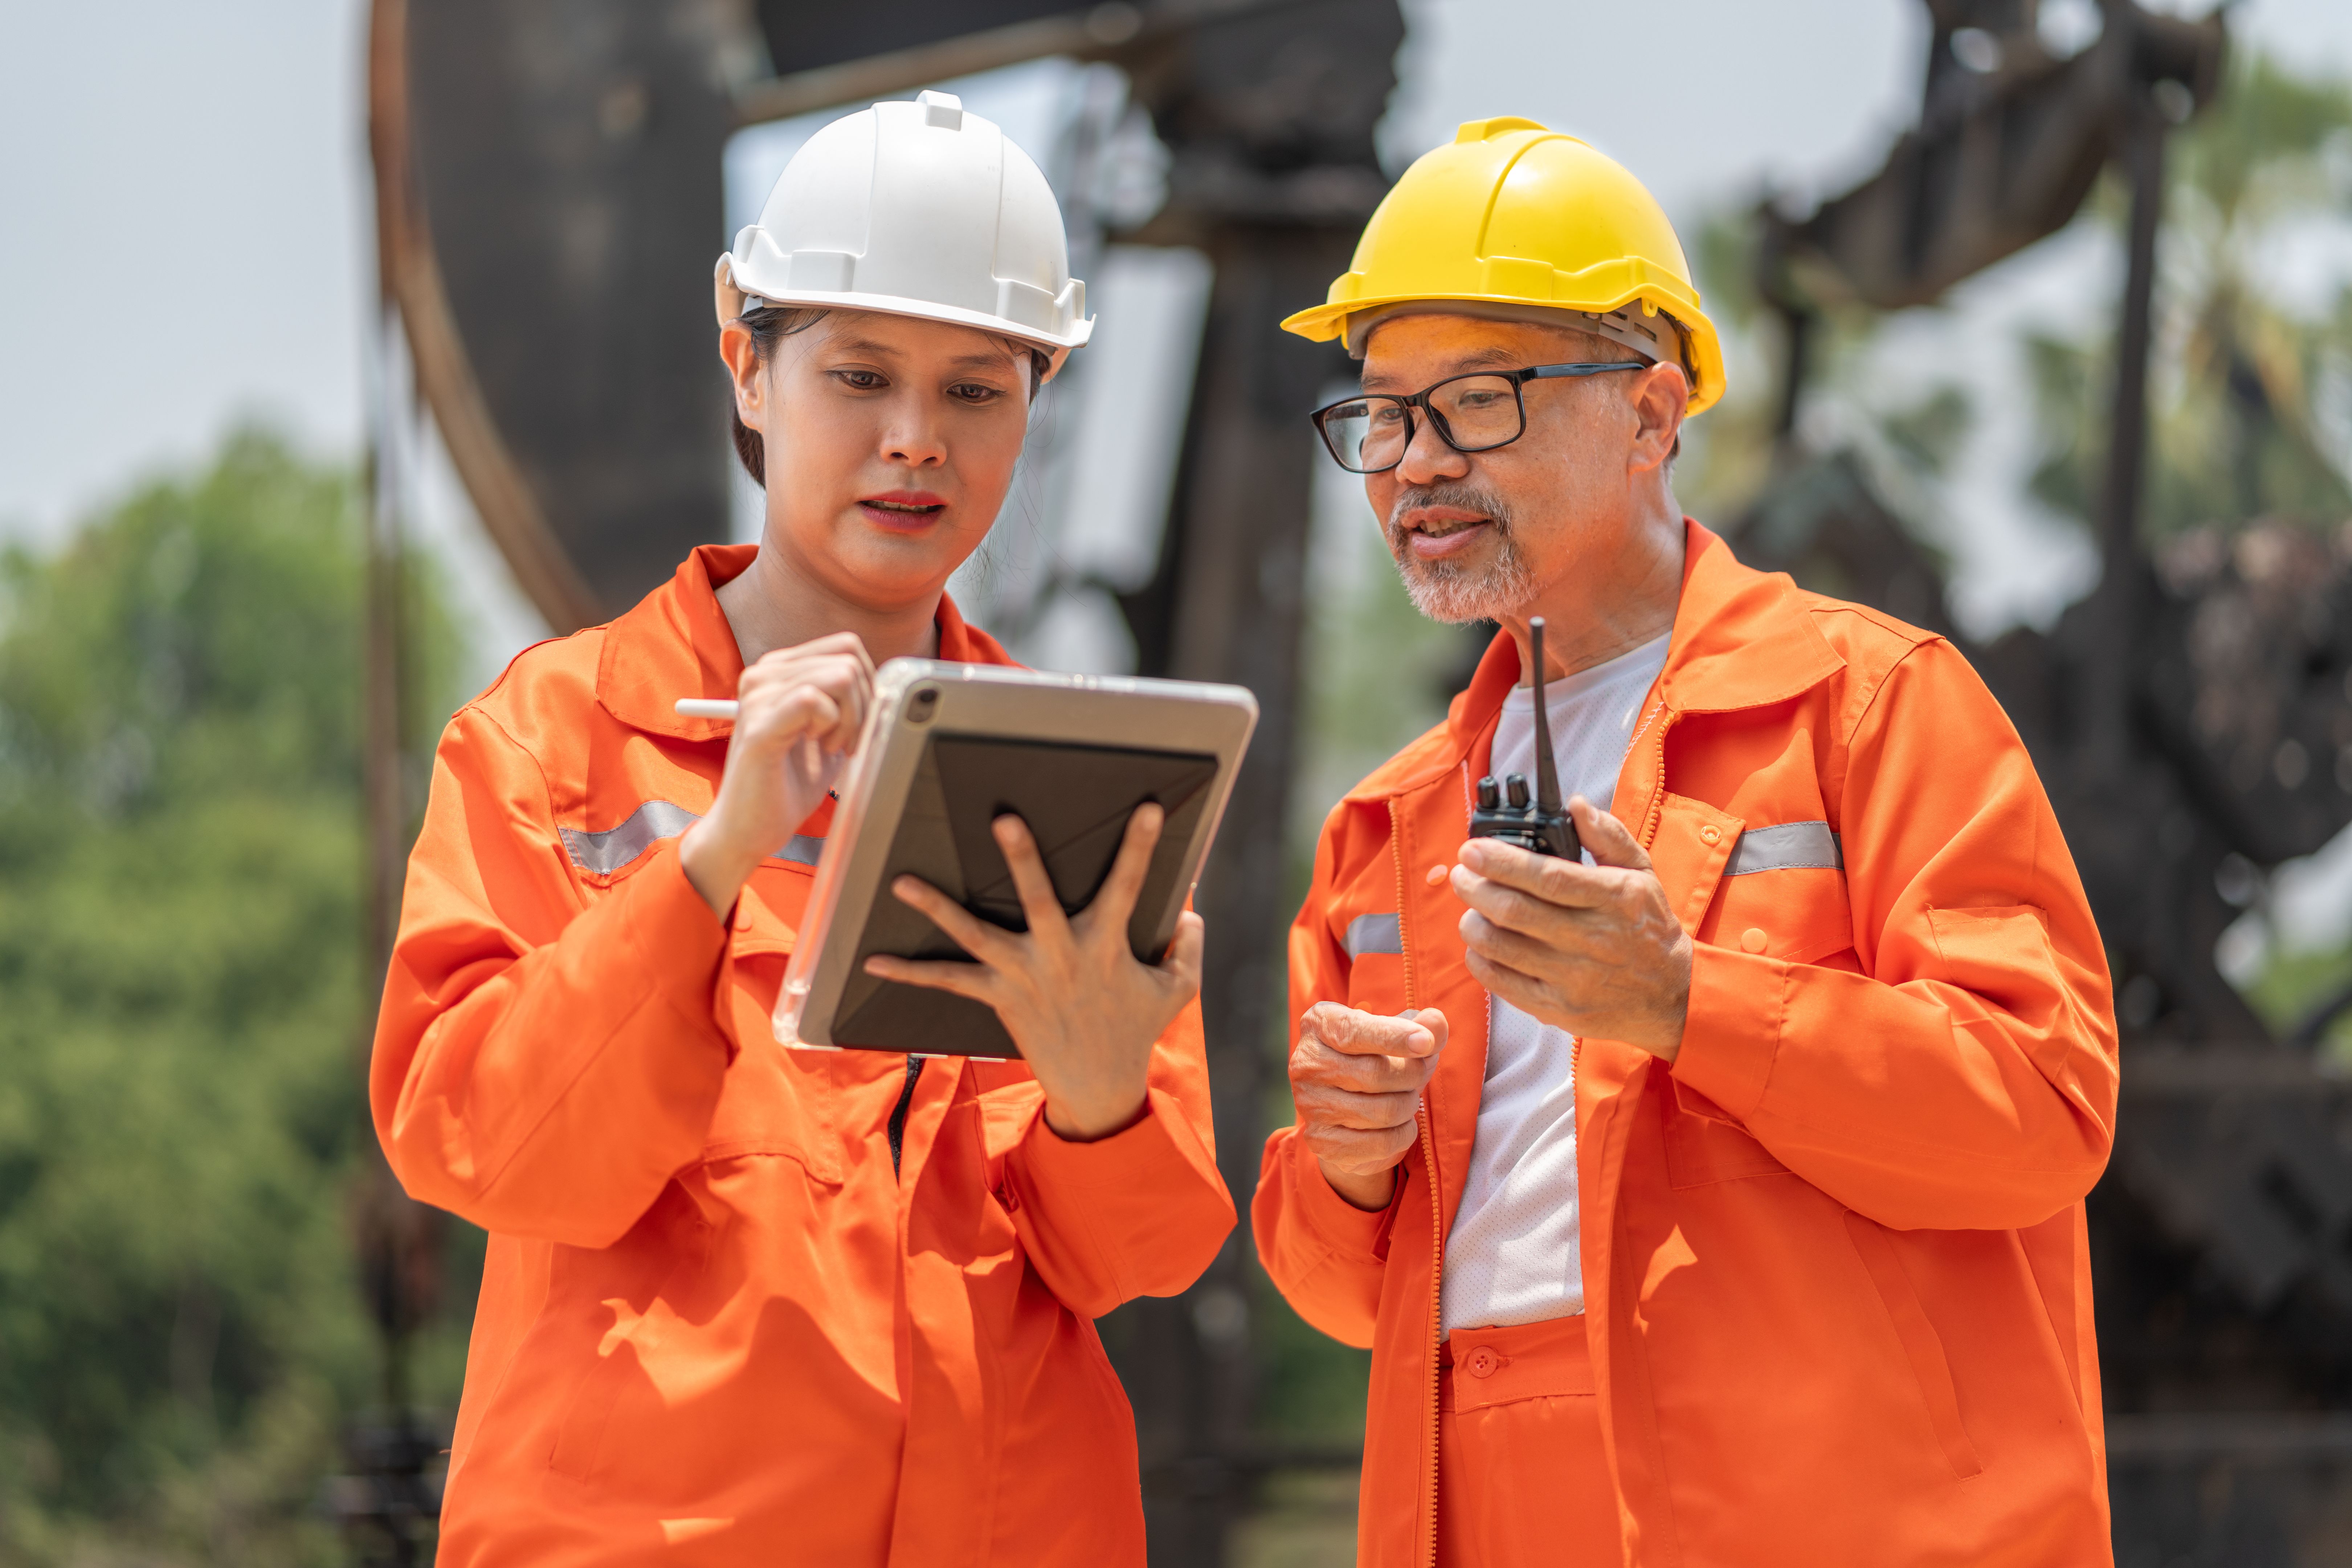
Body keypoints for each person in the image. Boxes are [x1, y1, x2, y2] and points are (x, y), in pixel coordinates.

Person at [371, 91, 1234, 1566]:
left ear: (1037, 406)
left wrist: (1101, 1099)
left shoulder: (1073, 774)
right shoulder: (556, 738)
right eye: (859, 376)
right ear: (748, 369)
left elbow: (1139, 1257)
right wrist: (710, 863)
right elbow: (480, 1148)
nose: (916, 441)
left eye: (977, 390)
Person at [1254, 118, 2119, 1568]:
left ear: (1654, 417)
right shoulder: (1389, 824)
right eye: (1384, 414)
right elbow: (1353, 1296)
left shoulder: (1870, 706)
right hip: (1476, 1498)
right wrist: (1343, 1172)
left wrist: (1686, 1004)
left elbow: (2041, 1108)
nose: (1412, 464)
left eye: (1474, 402)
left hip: (1825, 1512)